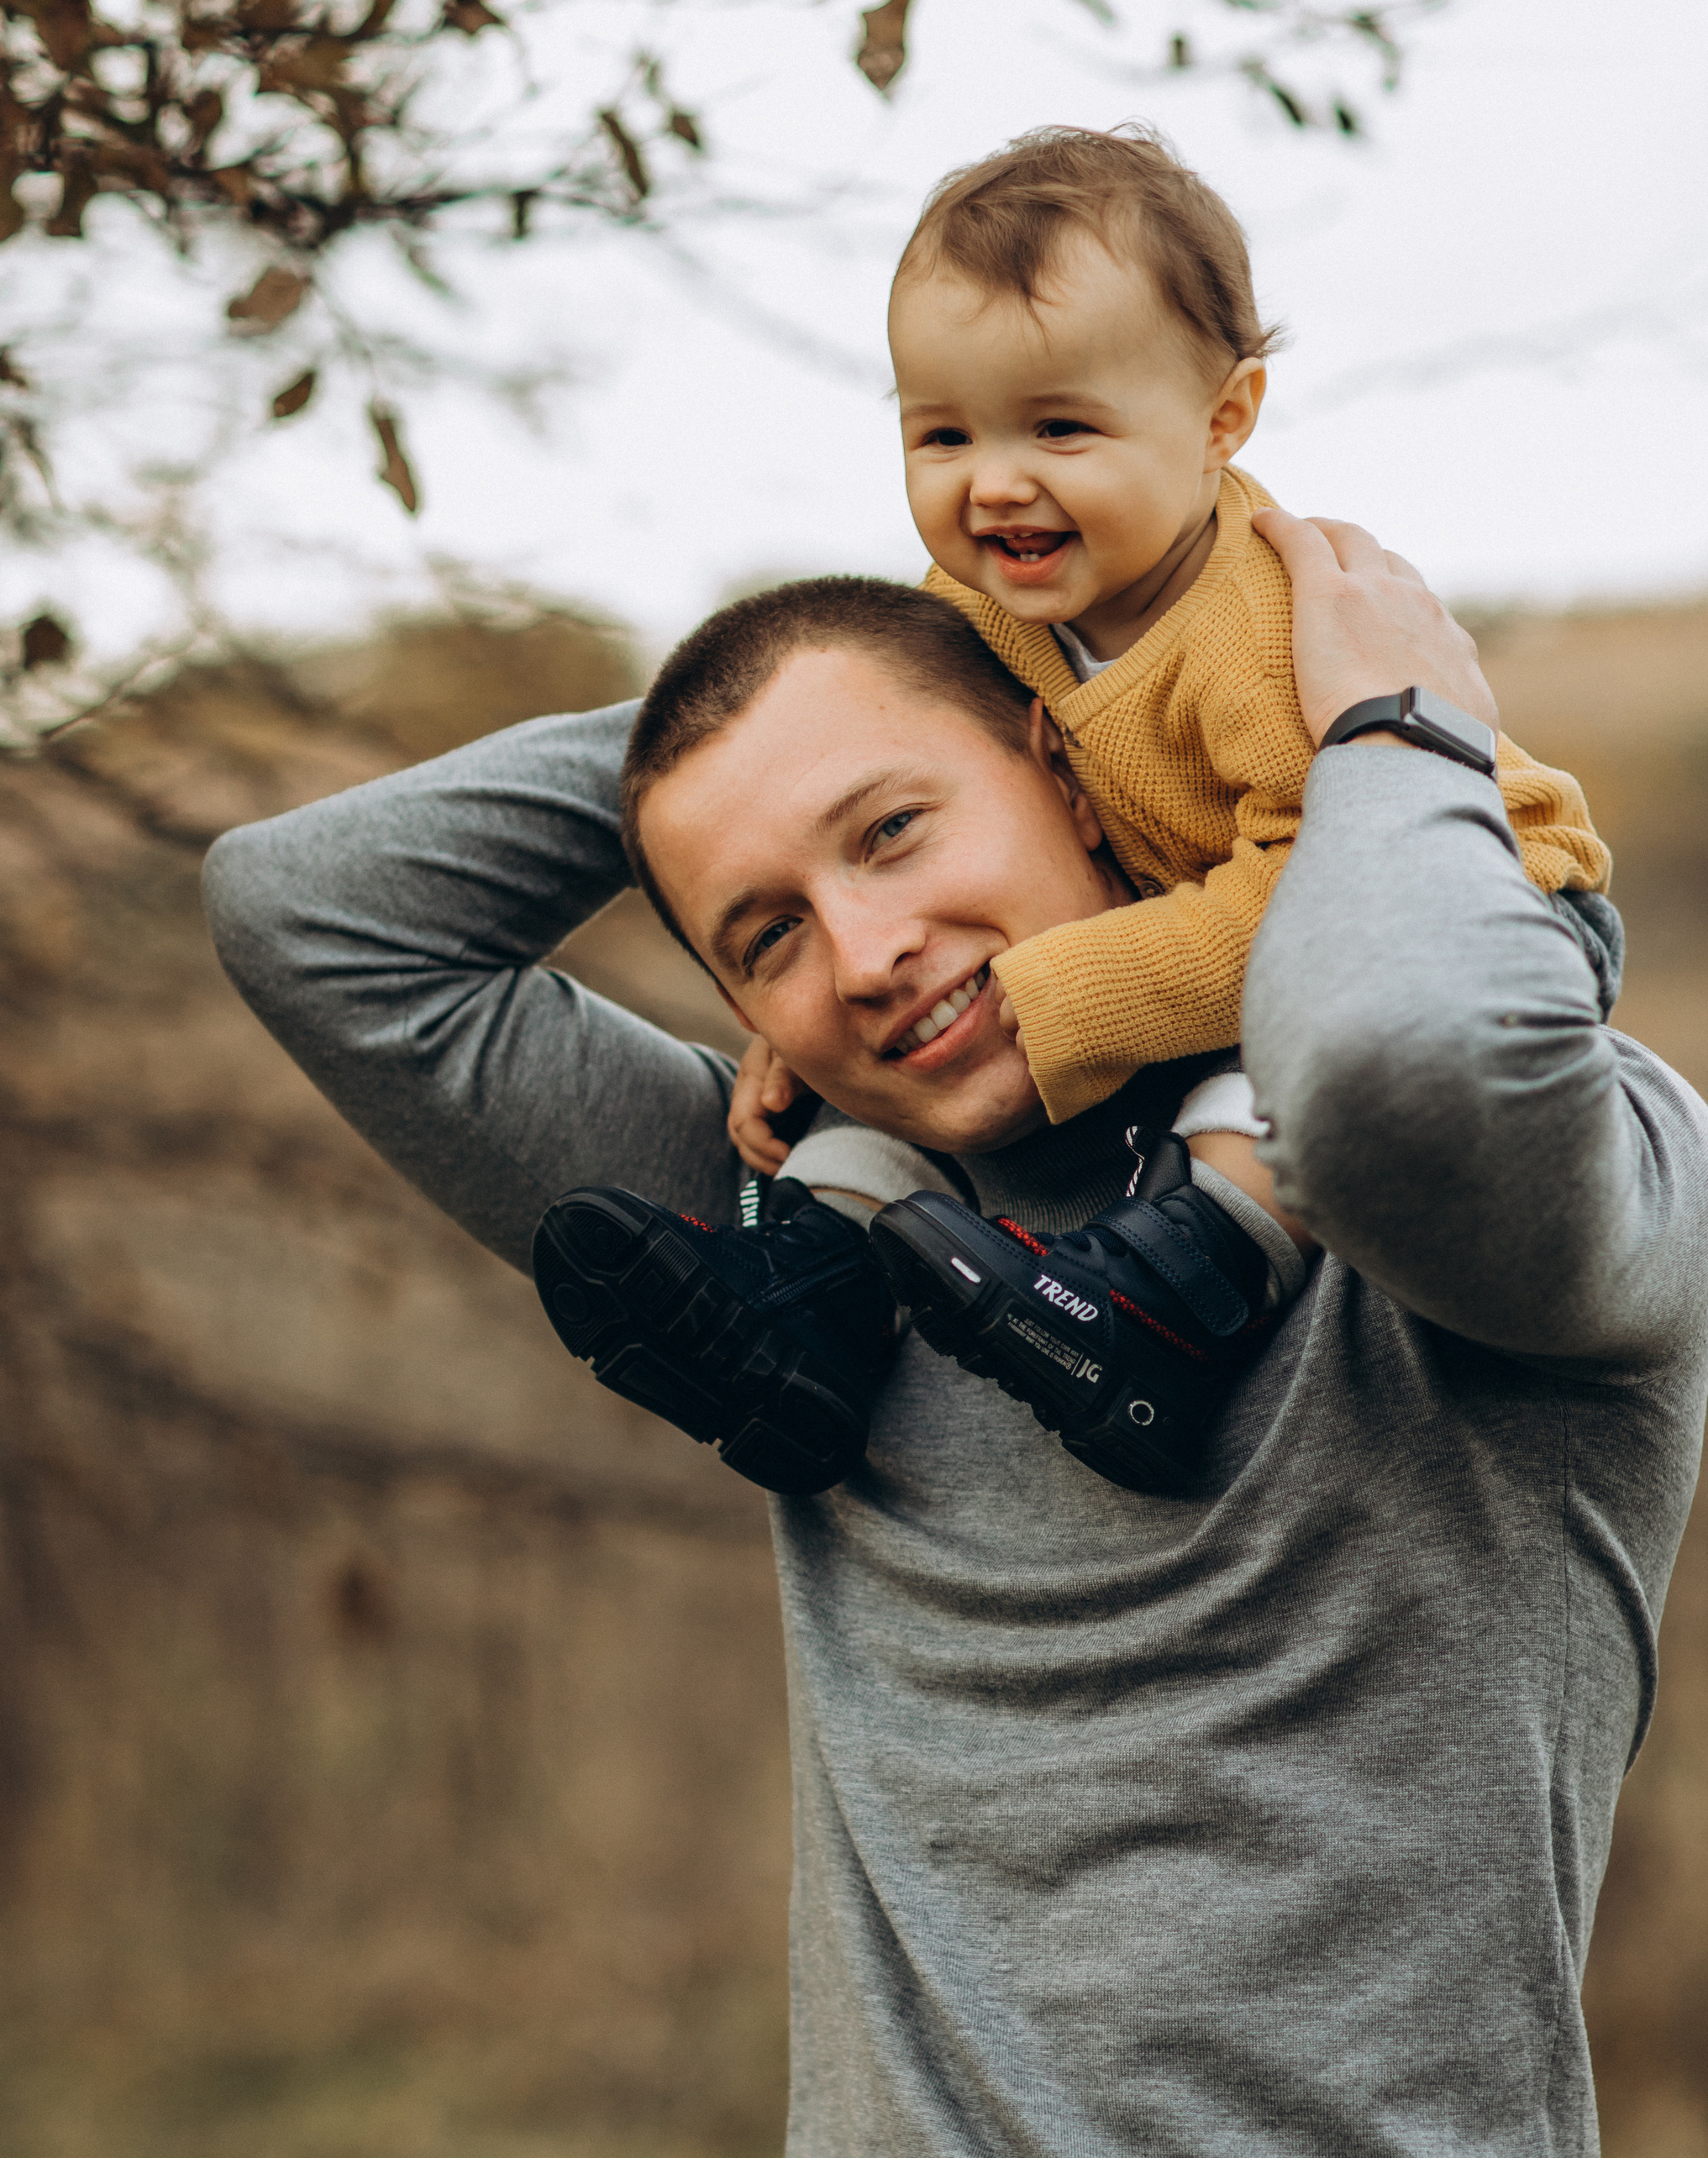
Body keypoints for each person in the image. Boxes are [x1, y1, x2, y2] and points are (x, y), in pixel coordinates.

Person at [202, 514, 1708, 2158]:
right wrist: (900, 668)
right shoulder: (804, 1240)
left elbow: (1403, 1070)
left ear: (1070, 770)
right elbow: (312, 917)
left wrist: (1357, 727)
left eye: (890, 829)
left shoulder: (1543, 1184)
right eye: (761, 932)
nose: (857, 955)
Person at [586, 124, 1618, 1497]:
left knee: (1289, 1072)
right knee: (883, 1069)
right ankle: (803, 1308)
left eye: (1060, 428)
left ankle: (1172, 1300)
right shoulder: (989, 603)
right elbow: (798, 743)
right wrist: (800, 1020)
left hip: (1470, 914)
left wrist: (1066, 987)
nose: (995, 483)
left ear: (1223, 419)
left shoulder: (1257, 633)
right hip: (1197, 933)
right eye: (943, 434)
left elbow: (1320, 900)